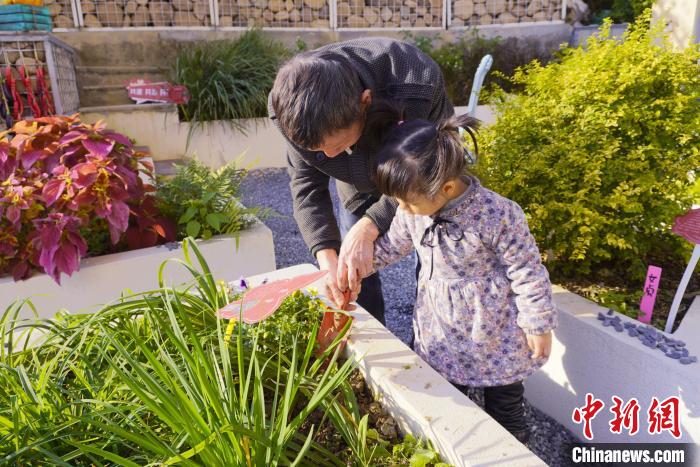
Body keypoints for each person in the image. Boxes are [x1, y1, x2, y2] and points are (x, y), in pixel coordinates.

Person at [350, 108, 558, 444]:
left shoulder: (497, 213)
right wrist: (358, 267)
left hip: (493, 332)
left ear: (446, 188)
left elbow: (527, 269)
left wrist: (537, 323)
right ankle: (455, 446)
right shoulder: (414, 210)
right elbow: (394, 245)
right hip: (441, 328)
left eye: (406, 202)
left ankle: (511, 448)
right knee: (448, 397)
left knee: (505, 403)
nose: (400, 209)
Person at [268, 37, 454, 324]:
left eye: (338, 146)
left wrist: (370, 225)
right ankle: (370, 336)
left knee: (435, 266)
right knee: (349, 269)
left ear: (364, 103)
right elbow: (306, 189)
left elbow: (429, 167)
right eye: (318, 152)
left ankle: (432, 343)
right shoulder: (289, 107)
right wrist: (326, 257)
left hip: (420, 179)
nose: (328, 156)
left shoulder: (415, 82)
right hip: (355, 186)